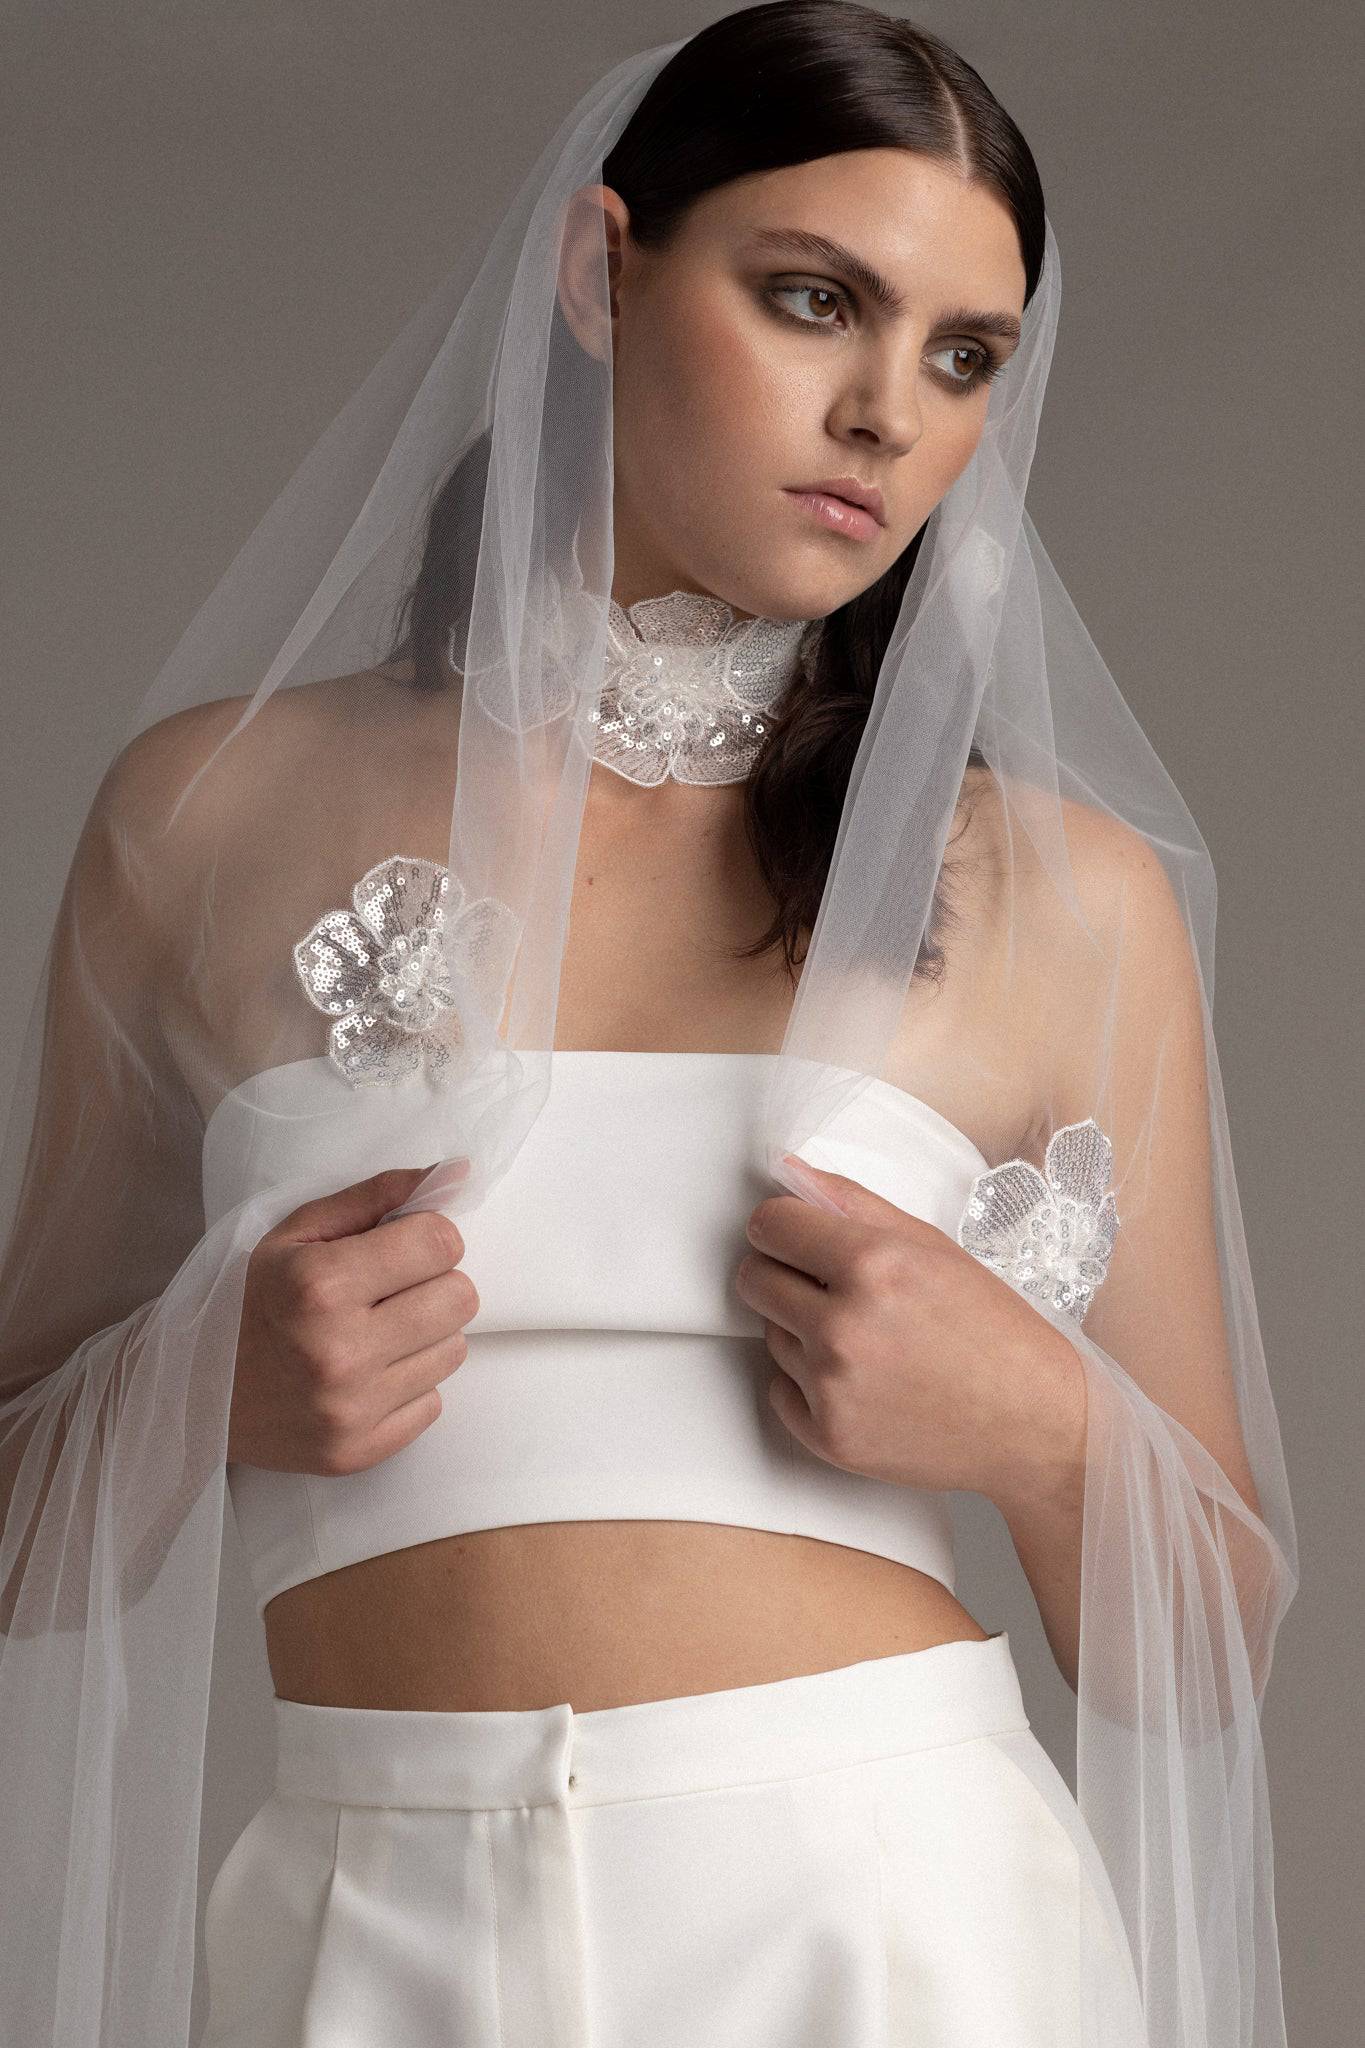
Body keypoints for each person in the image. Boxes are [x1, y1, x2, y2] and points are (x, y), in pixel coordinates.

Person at [0, 6, 1298, 2045]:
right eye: (813, 301)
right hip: (367, 1916)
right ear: (599, 271)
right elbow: (19, 1530)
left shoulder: (1057, 891)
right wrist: (200, 1384)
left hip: (887, 1920)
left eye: (965, 356)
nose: (886, 412)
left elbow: (1203, 1651)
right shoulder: (205, 813)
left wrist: (1035, 1428)